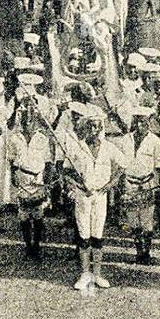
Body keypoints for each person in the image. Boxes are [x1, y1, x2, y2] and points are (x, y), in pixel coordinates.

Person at [66, 113, 125, 290]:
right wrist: (78, 185)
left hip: (100, 196)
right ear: (86, 128)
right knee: (84, 236)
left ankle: (97, 275)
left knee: (97, 236)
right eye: (91, 126)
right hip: (83, 196)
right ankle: (85, 274)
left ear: (102, 129)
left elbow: (122, 166)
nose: (94, 130)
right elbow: (67, 172)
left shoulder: (109, 148)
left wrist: (110, 185)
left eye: (98, 127)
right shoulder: (78, 148)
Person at [7, 92, 55, 260]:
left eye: (31, 113)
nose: (28, 116)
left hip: (37, 178)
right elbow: (11, 159)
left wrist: (47, 182)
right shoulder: (15, 138)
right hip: (21, 178)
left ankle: (37, 245)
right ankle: (28, 246)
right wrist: (13, 174)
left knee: (38, 215)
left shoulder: (42, 138)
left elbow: (49, 162)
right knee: (24, 215)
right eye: (25, 112)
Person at [116, 105, 160, 265]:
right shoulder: (125, 139)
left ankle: (147, 252)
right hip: (130, 183)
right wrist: (121, 185)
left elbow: (159, 165)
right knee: (133, 220)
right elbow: (121, 164)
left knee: (147, 221)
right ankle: (138, 250)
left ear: (149, 123)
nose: (140, 125)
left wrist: (156, 186)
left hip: (147, 183)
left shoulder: (155, 140)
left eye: (143, 122)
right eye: (137, 121)